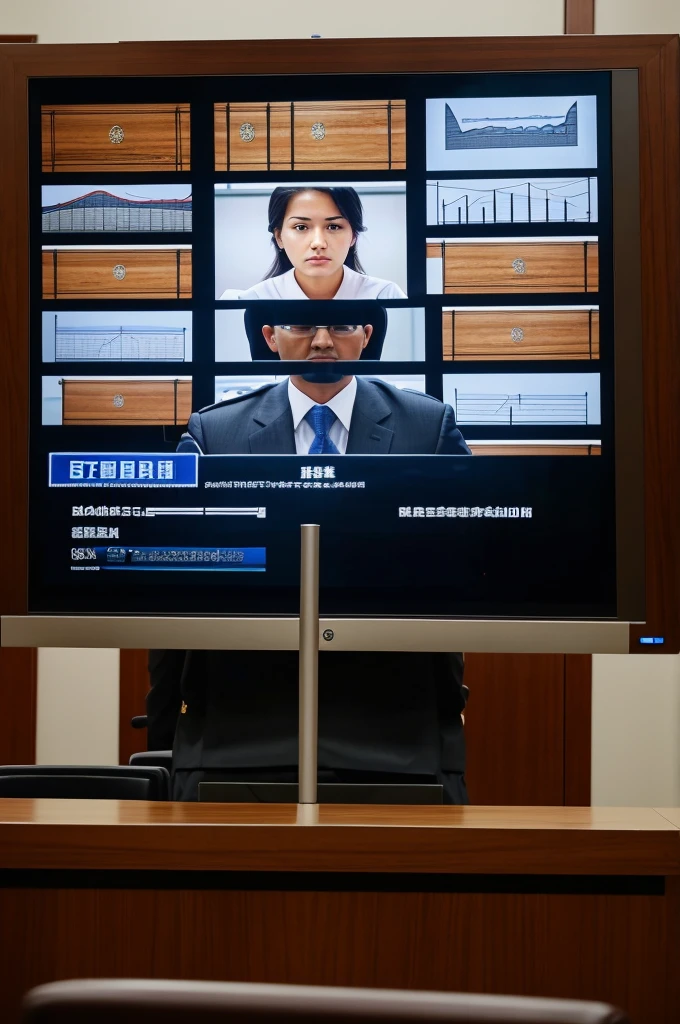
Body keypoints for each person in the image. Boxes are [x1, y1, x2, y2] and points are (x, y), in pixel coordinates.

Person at [182, 300, 470, 457]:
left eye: (341, 327)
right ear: (271, 337)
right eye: (301, 326)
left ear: (366, 336)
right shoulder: (214, 432)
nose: (322, 342)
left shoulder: (428, 425)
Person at [219, 186, 407, 300]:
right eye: (301, 227)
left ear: (354, 236)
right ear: (279, 237)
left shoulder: (384, 296)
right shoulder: (252, 300)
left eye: (333, 227)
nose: (318, 243)